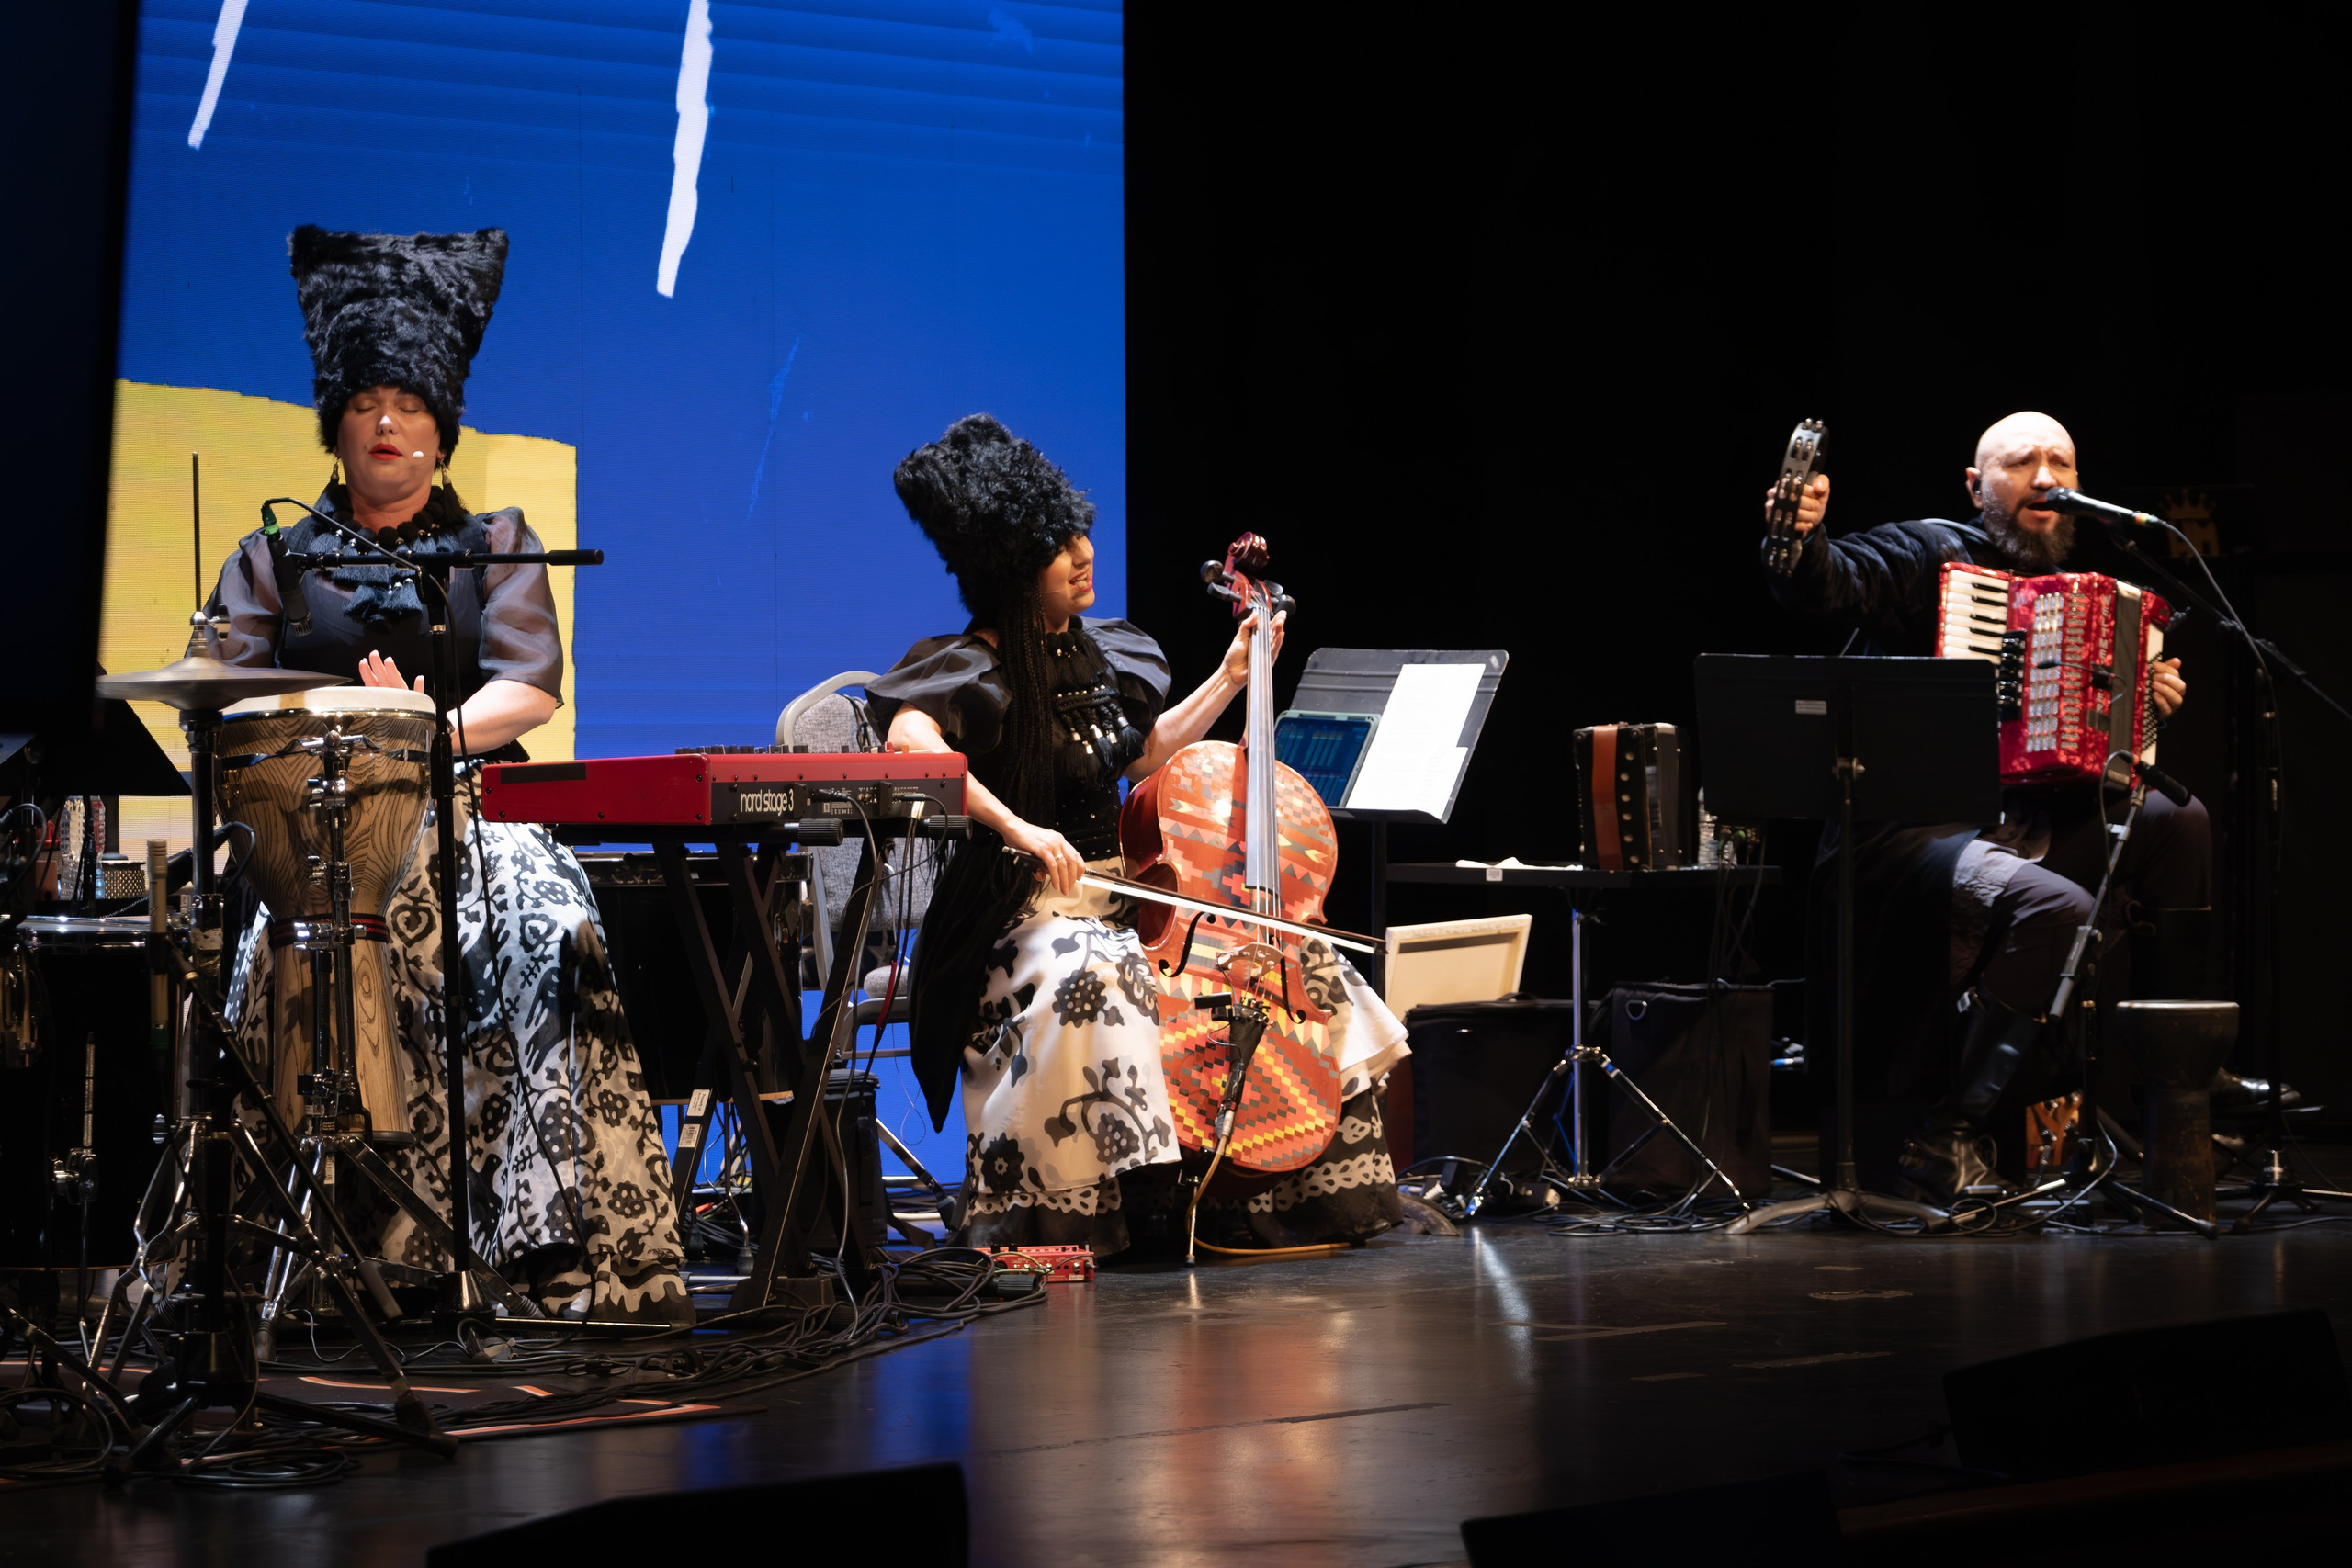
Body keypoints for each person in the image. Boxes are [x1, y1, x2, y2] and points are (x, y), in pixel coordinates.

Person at [208, 227, 688, 1324]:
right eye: (368, 401)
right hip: (317, 839)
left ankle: (554, 1234)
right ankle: (340, 1253)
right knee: (314, 939)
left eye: (412, 404)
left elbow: (530, 686)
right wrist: (359, 723)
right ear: (335, 423)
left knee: (549, 917)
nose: (388, 422)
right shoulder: (271, 558)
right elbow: (227, 703)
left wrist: (425, 735)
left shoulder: (493, 541)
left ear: (441, 432)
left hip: (470, 811)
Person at [867, 413, 1408, 1254]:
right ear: (1012, 570)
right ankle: (1108, 1208)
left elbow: (1146, 750)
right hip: (1020, 910)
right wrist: (1020, 827)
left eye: (1079, 531)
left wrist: (1233, 676)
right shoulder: (963, 666)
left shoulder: (1104, 653)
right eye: (1058, 545)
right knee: (1103, 966)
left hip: (1129, 897)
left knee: (1295, 958)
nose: (1084, 552)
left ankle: (1274, 1188)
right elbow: (914, 750)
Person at [1761, 410, 2283, 1201]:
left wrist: (2146, 704)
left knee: (2180, 822)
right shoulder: (1929, 551)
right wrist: (1800, 540)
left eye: (2063, 463)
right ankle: (1949, 1133)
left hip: (2019, 824)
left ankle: (2186, 1068)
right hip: (1908, 833)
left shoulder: (2084, 591)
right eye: (2022, 462)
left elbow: (2092, 751)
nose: (2047, 476)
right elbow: (1832, 579)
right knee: (2059, 907)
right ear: (1977, 486)